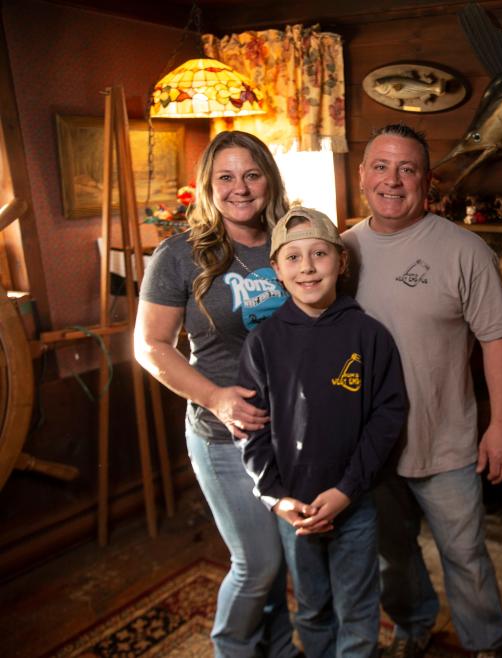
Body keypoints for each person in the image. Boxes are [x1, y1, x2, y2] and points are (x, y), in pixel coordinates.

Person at [342, 124, 502, 658]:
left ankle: (486, 644)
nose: (391, 180)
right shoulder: (338, 251)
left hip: (445, 441)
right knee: (390, 556)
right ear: (362, 176)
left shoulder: (465, 251)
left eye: (407, 169)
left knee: (465, 555)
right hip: (371, 448)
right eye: (380, 166)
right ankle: (412, 624)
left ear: (426, 181)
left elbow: (497, 342)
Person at [134, 130, 298, 658]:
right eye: (225, 176)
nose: (240, 188)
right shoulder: (180, 254)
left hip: (295, 433)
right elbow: (150, 345)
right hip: (225, 438)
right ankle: (231, 649)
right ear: (208, 184)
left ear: (268, 178)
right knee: (258, 564)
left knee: (291, 564)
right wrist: (216, 397)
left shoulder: (291, 241)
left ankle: (276, 650)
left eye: (251, 174)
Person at [237, 206, 406, 658]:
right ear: (276, 269)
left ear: (341, 262)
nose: (307, 267)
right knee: (311, 608)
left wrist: (348, 489)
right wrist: (275, 497)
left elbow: (388, 417)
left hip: (353, 503)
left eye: (319, 254)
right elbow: (251, 430)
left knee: (357, 608)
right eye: (292, 257)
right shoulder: (262, 344)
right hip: (295, 509)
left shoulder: (369, 335)